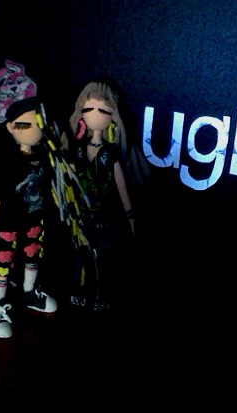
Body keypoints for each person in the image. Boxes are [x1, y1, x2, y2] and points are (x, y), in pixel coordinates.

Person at [0, 59, 91, 338]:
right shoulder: (8, 162)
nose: (34, 130)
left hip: (34, 218)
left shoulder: (44, 156)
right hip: (8, 222)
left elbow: (61, 169)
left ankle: (30, 292)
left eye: (37, 122)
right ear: (10, 127)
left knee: (32, 255)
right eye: (25, 124)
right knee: (3, 263)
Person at [60, 81, 149, 311]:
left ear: (112, 116)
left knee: (101, 258)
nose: (95, 114)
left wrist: (130, 216)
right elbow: (68, 178)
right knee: (81, 255)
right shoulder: (78, 150)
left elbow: (122, 188)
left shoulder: (110, 153)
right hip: (80, 215)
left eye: (103, 110)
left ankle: (100, 294)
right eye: (89, 108)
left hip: (104, 217)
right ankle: (80, 290)